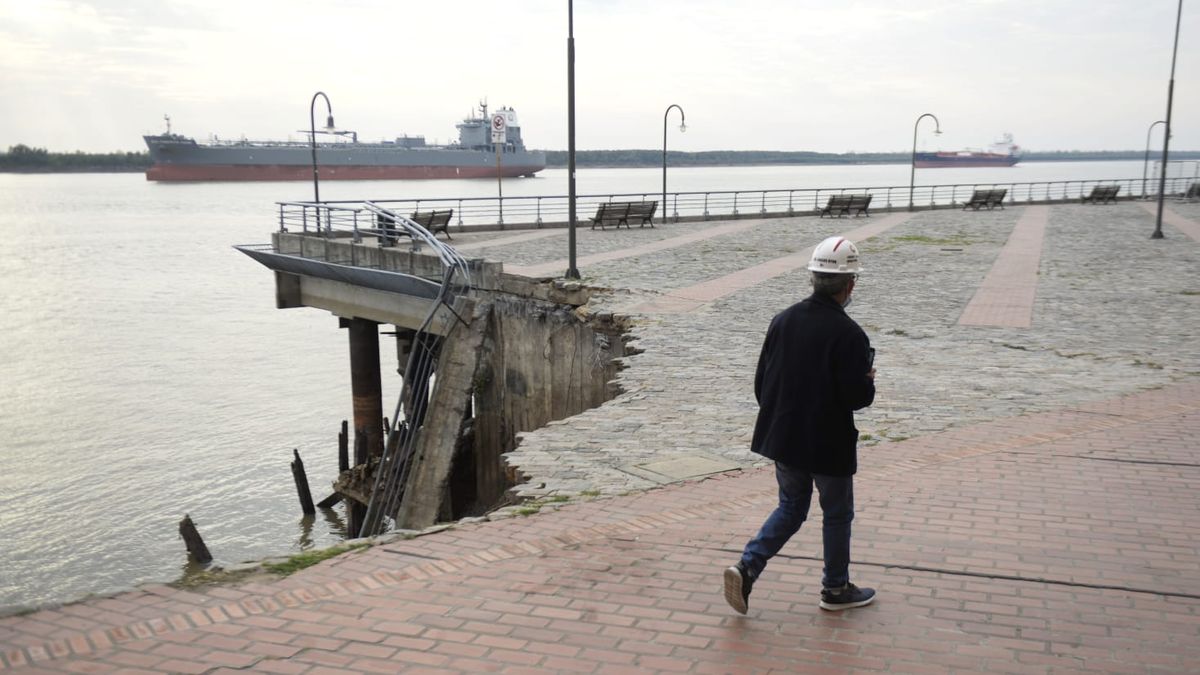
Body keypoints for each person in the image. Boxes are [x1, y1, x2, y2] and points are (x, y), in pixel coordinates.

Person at [723, 236, 877, 614]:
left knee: (791, 507)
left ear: (813, 278)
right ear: (850, 284)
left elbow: (762, 384)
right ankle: (835, 589)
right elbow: (858, 398)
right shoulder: (850, 335)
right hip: (828, 443)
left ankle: (747, 566)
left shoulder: (782, 321)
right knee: (837, 513)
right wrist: (867, 379)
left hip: (786, 436)